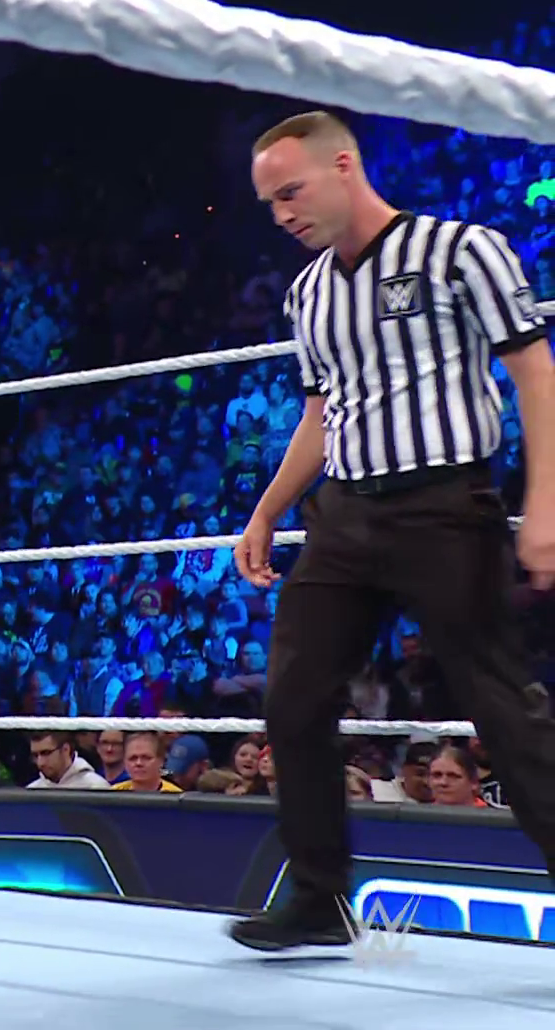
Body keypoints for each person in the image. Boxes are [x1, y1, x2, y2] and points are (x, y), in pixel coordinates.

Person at [230, 110, 555, 952]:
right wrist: (266, 511)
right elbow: (320, 415)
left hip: (444, 506)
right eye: (270, 204)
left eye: (291, 192)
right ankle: (319, 898)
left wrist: (547, 503)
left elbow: (536, 374)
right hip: (344, 513)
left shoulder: (461, 250)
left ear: (344, 165)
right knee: (293, 698)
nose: (282, 215)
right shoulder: (308, 292)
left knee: (501, 708)